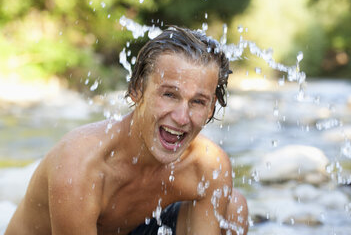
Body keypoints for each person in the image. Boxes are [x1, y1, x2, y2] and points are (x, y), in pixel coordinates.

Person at [5, 26, 248, 235]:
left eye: (197, 101)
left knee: (234, 207)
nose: (182, 117)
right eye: (169, 95)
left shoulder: (206, 166)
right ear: (136, 90)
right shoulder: (81, 165)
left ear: (210, 108)